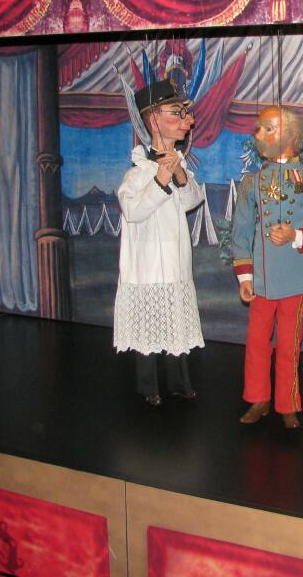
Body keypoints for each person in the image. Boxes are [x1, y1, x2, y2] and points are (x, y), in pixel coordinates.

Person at [231, 106, 303, 429]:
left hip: (295, 280)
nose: (259, 134)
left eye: (269, 129)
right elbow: (241, 232)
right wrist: (245, 276)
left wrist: (297, 236)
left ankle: (287, 403)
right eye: (259, 128)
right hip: (262, 282)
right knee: (256, 343)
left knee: (289, 347)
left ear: (291, 135)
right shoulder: (252, 183)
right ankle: (258, 398)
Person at [113, 77, 205, 406]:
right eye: (176, 113)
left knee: (175, 322)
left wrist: (179, 176)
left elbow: (192, 200)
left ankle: (179, 382)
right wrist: (161, 180)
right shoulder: (137, 173)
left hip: (175, 263)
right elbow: (133, 211)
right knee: (147, 327)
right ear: (154, 120)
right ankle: (148, 386)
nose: (186, 121)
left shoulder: (179, 164)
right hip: (146, 266)